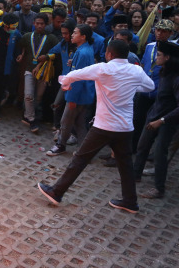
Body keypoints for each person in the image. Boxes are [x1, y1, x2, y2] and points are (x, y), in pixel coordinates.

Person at [37, 40, 155, 214]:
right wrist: (129, 87)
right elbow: (150, 86)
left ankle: (56, 191)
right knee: (126, 165)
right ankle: (130, 201)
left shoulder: (103, 68)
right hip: (124, 128)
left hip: (104, 126)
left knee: (80, 160)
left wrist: (66, 84)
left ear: (109, 53)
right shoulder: (135, 70)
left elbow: (74, 74)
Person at [133, 41, 179, 199]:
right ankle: (136, 174)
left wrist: (162, 120)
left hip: (167, 122)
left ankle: (159, 188)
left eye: (158, 55)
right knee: (142, 146)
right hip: (153, 115)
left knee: (160, 153)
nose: (155, 58)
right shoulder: (163, 72)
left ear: (167, 57)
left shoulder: (176, 79)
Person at [46, 25, 95, 156]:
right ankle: (84, 151)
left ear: (83, 37)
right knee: (79, 124)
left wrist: (72, 99)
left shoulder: (83, 53)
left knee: (66, 122)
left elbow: (78, 79)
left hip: (77, 95)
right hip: (84, 94)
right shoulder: (84, 50)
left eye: (74, 33)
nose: (72, 35)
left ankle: (60, 145)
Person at [17, 13, 58, 132]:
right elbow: (22, 46)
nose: (39, 26)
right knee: (28, 95)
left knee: (39, 97)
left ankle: (29, 116)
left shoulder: (51, 38)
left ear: (46, 24)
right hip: (29, 70)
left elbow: (57, 52)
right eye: (37, 23)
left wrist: (47, 57)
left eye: (42, 24)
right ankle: (32, 119)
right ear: (33, 23)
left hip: (44, 72)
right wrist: (22, 54)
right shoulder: (27, 36)